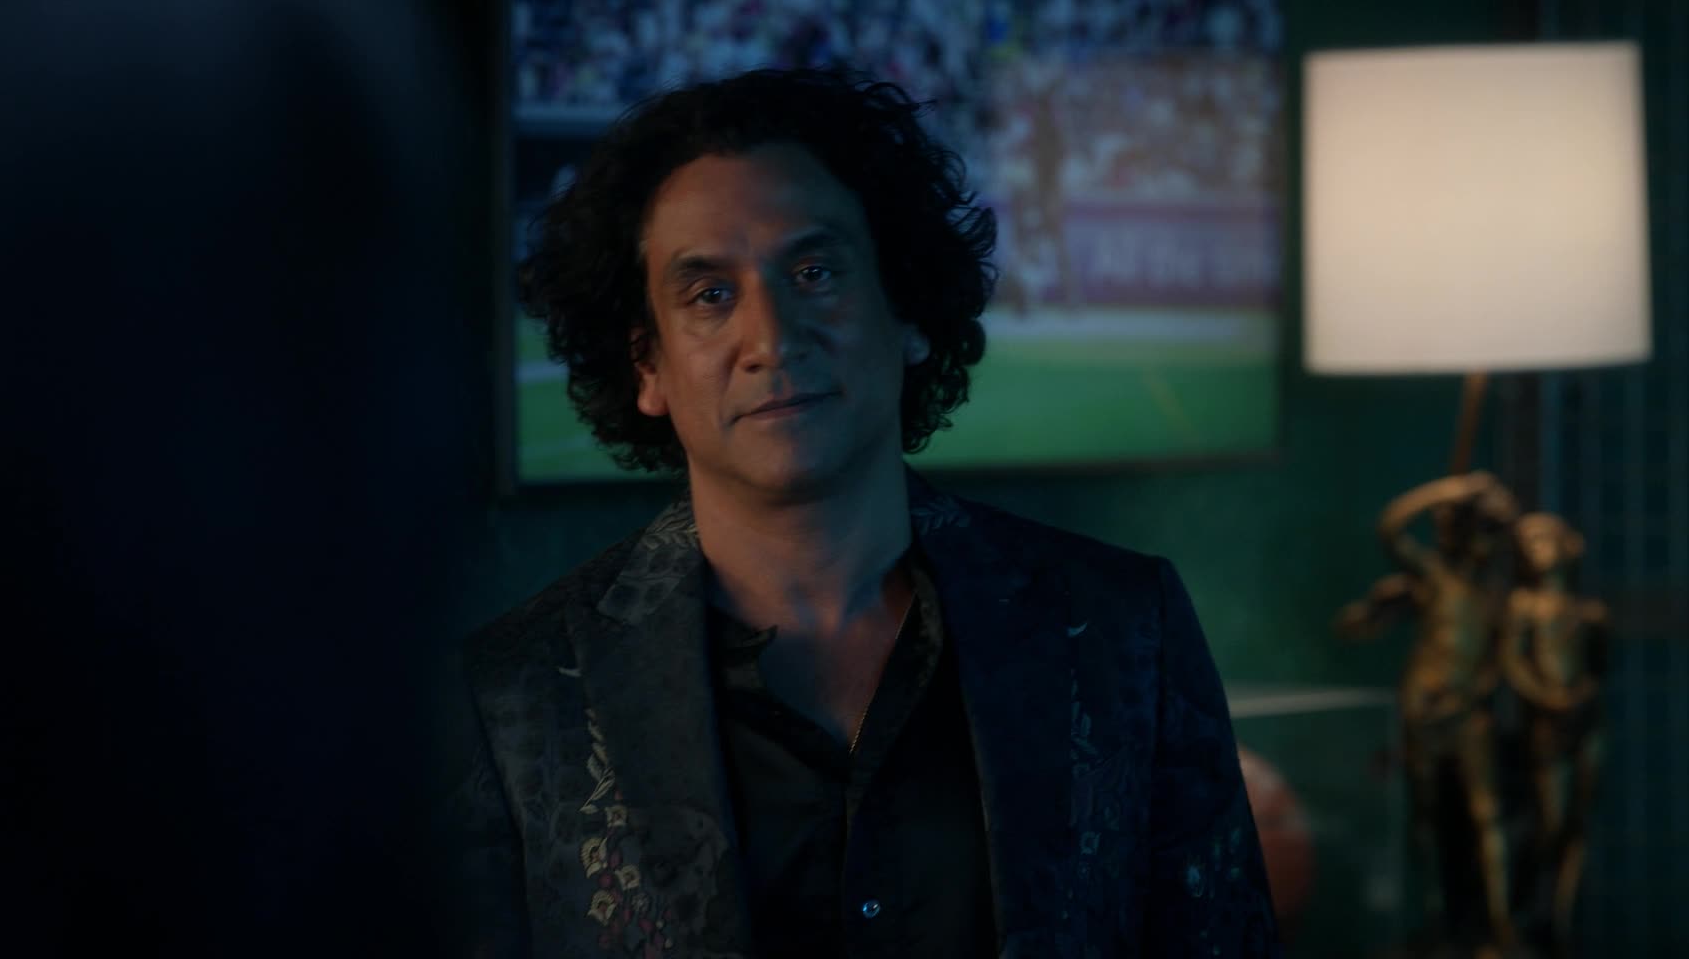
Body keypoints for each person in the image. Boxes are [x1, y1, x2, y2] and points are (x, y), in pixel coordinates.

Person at [441, 67, 1278, 958]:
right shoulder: (512, 696)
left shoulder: (1125, 631)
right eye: (710, 294)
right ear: (647, 365)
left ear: (906, 311)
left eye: (814, 272)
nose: (772, 338)